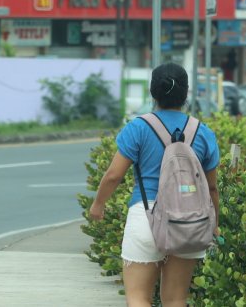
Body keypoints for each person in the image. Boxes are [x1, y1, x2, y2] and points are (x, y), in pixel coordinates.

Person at [87, 63, 221, 307]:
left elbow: (113, 176)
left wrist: (98, 204)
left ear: (153, 92)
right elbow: (211, 188)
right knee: (176, 299)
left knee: (138, 298)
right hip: (190, 221)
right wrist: (215, 224)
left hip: (145, 216)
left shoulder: (139, 127)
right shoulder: (202, 132)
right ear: (186, 93)